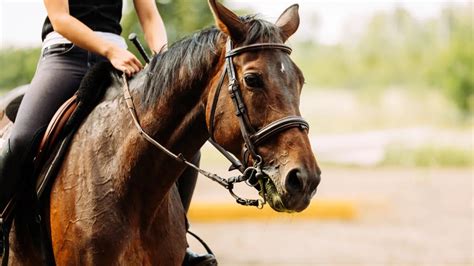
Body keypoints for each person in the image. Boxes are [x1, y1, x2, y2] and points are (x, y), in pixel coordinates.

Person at [0, 0, 215, 265]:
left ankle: (181, 240)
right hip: (66, 57)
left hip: (120, 61)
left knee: (184, 146)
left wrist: (163, 61)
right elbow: (61, 20)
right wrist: (109, 49)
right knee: (22, 139)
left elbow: (149, 16)